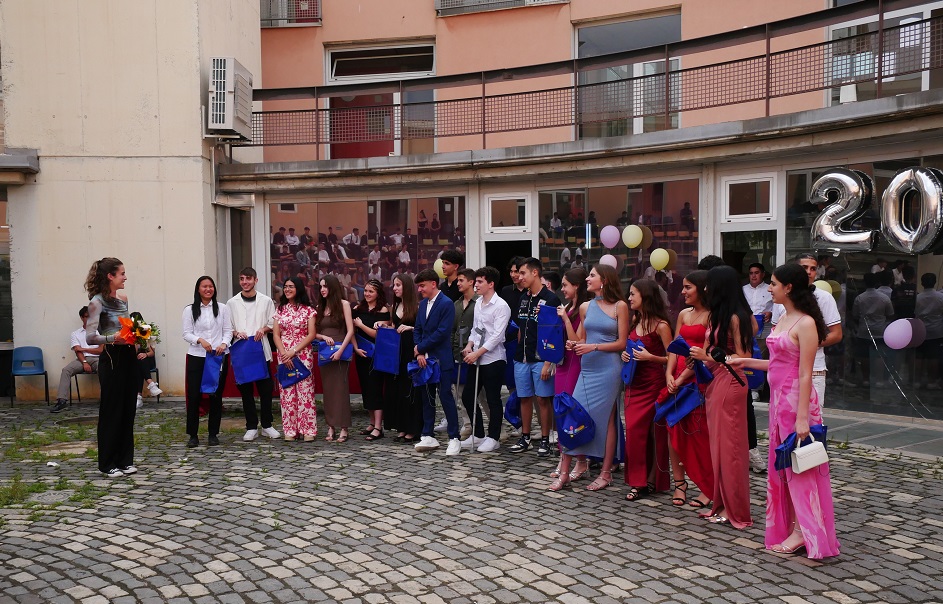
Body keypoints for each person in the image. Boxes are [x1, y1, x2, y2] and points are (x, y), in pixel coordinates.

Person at [731, 263, 840, 558]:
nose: (769, 288)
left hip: (796, 404)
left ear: (788, 288)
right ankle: (793, 527)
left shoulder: (805, 323)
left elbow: (805, 373)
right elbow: (778, 363)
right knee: (782, 468)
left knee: (799, 467)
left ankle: (803, 533)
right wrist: (746, 362)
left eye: (774, 283)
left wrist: (803, 418)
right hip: (779, 403)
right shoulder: (783, 317)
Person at [550, 264, 627, 491]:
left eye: (592, 275)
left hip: (609, 369)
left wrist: (593, 347)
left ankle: (605, 473)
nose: (587, 279)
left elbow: (622, 343)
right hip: (588, 368)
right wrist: (573, 344)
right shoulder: (586, 306)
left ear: (605, 280)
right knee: (572, 415)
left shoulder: (620, 306)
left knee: (608, 419)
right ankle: (565, 472)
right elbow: (581, 339)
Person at [690, 266, 754, 529]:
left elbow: (745, 357)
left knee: (731, 449)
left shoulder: (738, 318)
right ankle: (721, 503)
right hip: (715, 380)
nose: (705, 289)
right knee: (717, 447)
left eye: (709, 284)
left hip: (731, 381)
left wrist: (708, 356)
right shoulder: (716, 316)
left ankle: (734, 508)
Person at [661, 271, 714, 508]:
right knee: (673, 431)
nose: (683, 292)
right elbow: (675, 346)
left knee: (698, 436)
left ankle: (707, 486)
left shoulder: (712, 316)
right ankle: (679, 483)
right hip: (676, 378)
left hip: (696, 380)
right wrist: (669, 374)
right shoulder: (683, 314)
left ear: (702, 288)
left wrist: (682, 378)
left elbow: (705, 354)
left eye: (688, 287)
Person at [84, 258, 138, 477]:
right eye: (122, 273)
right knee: (112, 411)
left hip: (128, 356)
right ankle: (107, 463)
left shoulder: (123, 299)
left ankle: (125, 460)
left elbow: (126, 328)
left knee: (128, 409)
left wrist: (138, 335)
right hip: (111, 357)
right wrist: (112, 338)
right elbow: (90, 337)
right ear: (110, 276)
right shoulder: (96, 302)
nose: (125, 277)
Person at [621, 279, 672, 501]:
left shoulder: (662, 325)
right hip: (634, 383)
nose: (629, 298)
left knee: (653, 434)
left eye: (633, 294)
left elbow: (672, 358)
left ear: (646, 296)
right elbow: (630, 346)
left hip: (653, 385)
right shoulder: (636, 320)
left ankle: (649, 480)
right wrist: (625, 355)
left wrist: (651, 357)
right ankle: (638, 480)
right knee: (633, 433)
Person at [771, 254, 842, 405]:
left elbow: (836, 334)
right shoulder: (780, 298)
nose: (809, 272)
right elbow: (775, 332)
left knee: (810, 417)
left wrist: (805, 344)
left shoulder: (824, 298)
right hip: (784, 369)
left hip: (814, 369)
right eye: (804, 268)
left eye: (813, 269)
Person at [509, 258, 561, 457]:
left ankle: (546, 439)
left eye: (523, 273)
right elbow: (521, 328)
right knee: (524, 397)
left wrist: (548, 363)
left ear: (535, 273)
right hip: (521, 357)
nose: (519, 277)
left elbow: (554, 332)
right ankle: (526, 437)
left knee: (542, 399)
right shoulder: (523, 298)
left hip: (541, 358)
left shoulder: (551, 299)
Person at [460, 266, 511, 453]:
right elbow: (476, 329)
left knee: (492, 398)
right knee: (468, 395)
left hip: (493, 359)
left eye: (480, 282)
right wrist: (469, 345)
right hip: (476, 358)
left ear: (491, 284)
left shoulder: (501, 306)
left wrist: (478, 352)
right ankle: (478, 433)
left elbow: (497, 336)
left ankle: (494, 437)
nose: (476, 285)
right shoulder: (478, 303)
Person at [228, 267, 280, 442]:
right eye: (242, 279)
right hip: (242, 351)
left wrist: (263, 329)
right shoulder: (232, 303)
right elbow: (227, 326)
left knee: (266, 389)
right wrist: (236, 333)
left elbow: (273, 323)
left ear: (256, 280)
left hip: (261, 350)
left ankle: (267, 425)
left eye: (248, 278)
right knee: (246, 391)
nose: (245, 282)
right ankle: (251, 426)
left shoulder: (266, 301)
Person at [412, 269, 460, 455]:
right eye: (418, 286)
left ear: (433, 284)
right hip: (424, 358)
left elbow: (442, 332)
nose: (420, 290)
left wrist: (420, 347)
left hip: (441, 358)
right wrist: (419, 353)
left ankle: (454, 437)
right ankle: (427, 434)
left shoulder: (446, 304)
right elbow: (418, 329)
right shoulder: (423, 304)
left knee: (445, 396)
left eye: (422, 286)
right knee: (427, 397)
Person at [182, 276, 232, 448]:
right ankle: (193, 435)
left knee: (215, 395)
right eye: (204, 286)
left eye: (211, 286)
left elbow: (228, 331)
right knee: (194, 396)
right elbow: (186, 333)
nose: (208, 289)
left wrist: (224, 344)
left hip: (217, 357)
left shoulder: (222, 308)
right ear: (198, 289)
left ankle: (213, 434)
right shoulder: (190, 310)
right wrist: (200, 340)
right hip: (197, 356)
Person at [549, 267, 588, 478]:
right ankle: (564, 457)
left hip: (575, 363)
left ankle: (580, 460)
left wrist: (565, 319)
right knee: (560, 410)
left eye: (565, 285)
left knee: (571, 411)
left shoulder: (582, 308)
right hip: (562, 362)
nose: (562, 289)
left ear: (576, 286)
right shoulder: (568, 306)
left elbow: (576, 341)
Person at [273, 276, 317, 441]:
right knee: (287, 392)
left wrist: (294, 351)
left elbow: (311, 334)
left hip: (302, 354)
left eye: (291, 286)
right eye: (285, 286)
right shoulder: (280, 310)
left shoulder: (308, 310)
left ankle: (308, 429)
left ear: (298, 288)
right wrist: (284, 353)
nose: (287, 289)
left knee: (305, 392)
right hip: (284, 355)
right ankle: (290, 430)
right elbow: (276, 335)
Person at [314, 274, 355, 442]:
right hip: (325, 352)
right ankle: (330, 426)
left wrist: (340, 351)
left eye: (325, 286)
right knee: (328, 390)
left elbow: (350, 330)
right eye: (320, 287)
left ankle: (344, 427)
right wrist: (323, 337)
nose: (322, 289)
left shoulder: (344, 304)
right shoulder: (320, 307)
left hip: (341, 350)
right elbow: (313, 333)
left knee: (341, 389)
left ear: (333, 287)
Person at [385, 274, 422, 442]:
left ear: (406, 286)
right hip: (397, 352)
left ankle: (413, 428)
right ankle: (401, 426)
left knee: (410, 389)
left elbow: (422, 330)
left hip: (411, 351)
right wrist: (384, 326)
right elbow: (394, 327)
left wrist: (410, 328)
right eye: (394, 285)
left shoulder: (417, 306)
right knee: (398, 389)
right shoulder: (395, 305)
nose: (395, 288)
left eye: (398, 285)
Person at [353, 279, 389, 441]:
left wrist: (361, 325)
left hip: (376, 354)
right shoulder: (358, 309)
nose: (367, 294)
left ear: (378, 294)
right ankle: (372, 422)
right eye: (366, 291)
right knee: (366, 388)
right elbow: (351, 330)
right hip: (361, 353)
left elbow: (378, 334)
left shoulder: (383, 310)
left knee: (375, 388)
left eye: (371, 291)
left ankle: (378, 427)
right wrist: (355, 348)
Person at [52, 306, 106, 413]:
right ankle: (62, 401)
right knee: (66, 370)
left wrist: (84, 349)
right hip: (82, 359)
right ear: (82, 318)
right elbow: (78, 351)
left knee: (104, 368)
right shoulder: (75, 334)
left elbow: (100, 350)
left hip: (97, 359)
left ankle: (106, 399)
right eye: (86, 317)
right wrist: (84, 362)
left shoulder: (98, 332)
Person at [444, 268, 477, 438]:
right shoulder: (456, 304)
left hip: (476, 354)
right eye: (457, 280)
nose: (458, 283)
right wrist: (451, 349)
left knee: (481, 395)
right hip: (458, 353)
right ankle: (468, 424)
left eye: (461, 280)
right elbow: (452, 330)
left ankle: (497, 428)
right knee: (460, 392)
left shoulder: (479, 303)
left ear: (471, 282)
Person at [851, 272, 894, 387]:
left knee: (865, 355)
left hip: (864, 329)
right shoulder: (884, 298)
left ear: (864, 283)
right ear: (876, 283)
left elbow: (855, 314)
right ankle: (879, 379)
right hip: (880, 329)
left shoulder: (860, 298)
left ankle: (866, 379)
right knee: (879, 355)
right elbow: (890, 313)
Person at [916, 273, 943, 389]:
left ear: (922, 283)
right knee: (934, 356)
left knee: (919, 356)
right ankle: (932, 381)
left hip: (920, 329)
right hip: (936, 330)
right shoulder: (940, 297)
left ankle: (917, 381)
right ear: (935, 282)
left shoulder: (917, 297)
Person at [131, 313, 162, 410]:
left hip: (148, 360)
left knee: (141, 359)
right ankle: (151, 384)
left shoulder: (146, 332)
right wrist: (135, 340)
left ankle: (138, 397)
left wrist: (145, 353)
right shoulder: (129, 335)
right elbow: (133, 353)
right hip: (135, 361)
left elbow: (152, 352)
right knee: (139, 361)